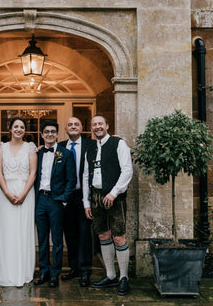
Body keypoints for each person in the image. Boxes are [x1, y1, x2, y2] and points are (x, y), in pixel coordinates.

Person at [82, 114, 133, 295]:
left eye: (100, 124)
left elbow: (127, 171)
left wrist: (114, 192)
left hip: (115, 196)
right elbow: (86, 176)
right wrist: (86, 202)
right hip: (95, 197)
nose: (97, 127)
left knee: (119, 236)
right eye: (94, 124)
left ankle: (123, 277)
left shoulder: (119, 144)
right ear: (92, 128)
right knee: (103, 235)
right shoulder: (90, 149)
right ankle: (110, 276)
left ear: (107, 125)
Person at [0, 117, 37, 287]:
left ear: (25, 131)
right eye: (16, 126)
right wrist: (7, 193)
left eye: (22, 127)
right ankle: (6, 273)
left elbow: (33, 173)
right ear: (10, 129)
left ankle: (23, 273)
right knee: (7, 232)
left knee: (23, 231)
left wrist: (24, 194)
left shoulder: (30, 148)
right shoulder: (1, 148)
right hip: (6, 193)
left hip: (26, 192)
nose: (19, 129)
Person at [34, 120, 76, 288]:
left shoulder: (65, 154)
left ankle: (55, 274)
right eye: (46, 131)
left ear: (58, 134)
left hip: (56, 201)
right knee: (42, 239)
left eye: (53, 131)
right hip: (40, 200)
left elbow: (71, 180)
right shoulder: (37, 154)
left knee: (57, 240)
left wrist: (64, 200)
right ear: (42, 135)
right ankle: (43, 271)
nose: (50, 134)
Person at [59, 117, 94, 287]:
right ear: (66, 129)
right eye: (70, 124)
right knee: (70, 233)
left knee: (85, 234)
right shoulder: (60, 147)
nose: (73, 126)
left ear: (81, 128)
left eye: (76, 124)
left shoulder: (91, 145)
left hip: (84, 196)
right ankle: (74, 268)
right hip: (66, 197)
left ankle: (85, 270)